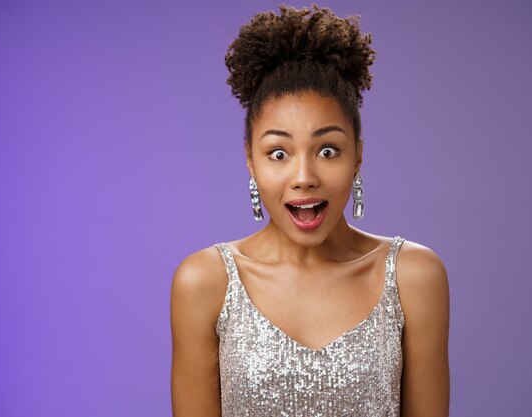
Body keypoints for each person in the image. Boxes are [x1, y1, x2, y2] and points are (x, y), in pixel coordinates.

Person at [170, 4, 450, 416]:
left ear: (357, 157)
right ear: (251, 160)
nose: (304, 176)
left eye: (327, 150)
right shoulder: (204, 283)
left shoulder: (414, 278)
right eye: (278, 152)